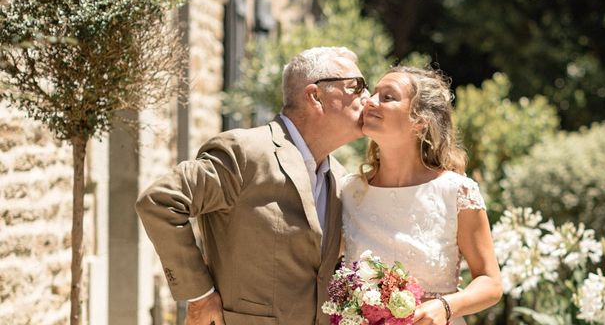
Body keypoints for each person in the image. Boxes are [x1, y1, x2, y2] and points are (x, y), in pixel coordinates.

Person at [136, 47, 370, 325]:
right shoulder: (246, 152)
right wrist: (200, 294)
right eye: (357, 86)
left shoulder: (339, 177)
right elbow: (160, 200)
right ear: (315, 96)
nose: (368, 98)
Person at [341, 65, 502, 325]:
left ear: (420, 121)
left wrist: (445, 307)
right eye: (374, 93)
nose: (369, 101)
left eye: (388, 97)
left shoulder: (457, 192)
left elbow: (491, 283)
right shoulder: (349, 192)